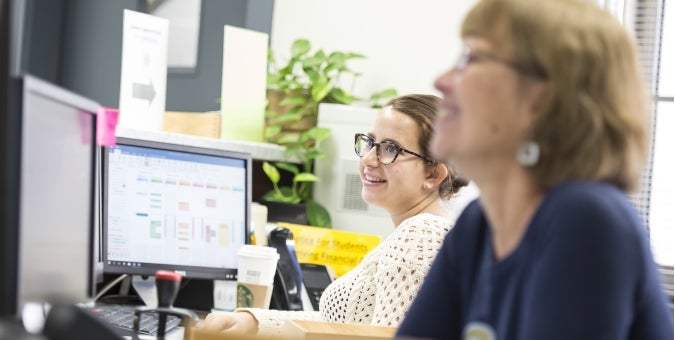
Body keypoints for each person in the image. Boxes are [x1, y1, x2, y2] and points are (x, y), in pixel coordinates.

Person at [396, 0, 674, 339]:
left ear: (543, 95)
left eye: (472, 58)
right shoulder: (478, 225)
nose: (441, 81)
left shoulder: (585, 218)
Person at [202, 94, 469, 337]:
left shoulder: (420, 237)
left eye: (390, 149)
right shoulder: (428, 232)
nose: (369, 159)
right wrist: (254, 321)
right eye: (370, 142)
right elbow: (345, 327)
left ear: (433, 174)